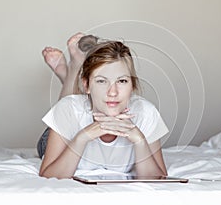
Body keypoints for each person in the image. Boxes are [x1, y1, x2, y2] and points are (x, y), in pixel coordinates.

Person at [38, 32, 169, 179]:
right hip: (65, 127)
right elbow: (49, 175)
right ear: (86, 85)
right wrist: (82, 137)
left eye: (122, 81)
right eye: (101, 81)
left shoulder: (146, 112)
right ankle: (74, 69)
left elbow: (158, 178)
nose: (112, 92)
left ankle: (71, 74)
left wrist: (139, 140)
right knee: (69, 102)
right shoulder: (67, 109)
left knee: (74, 101)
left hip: (83, 99)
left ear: (132, 86)